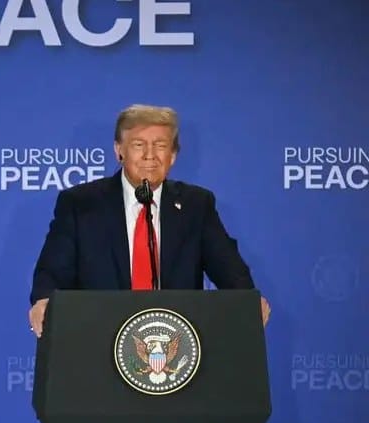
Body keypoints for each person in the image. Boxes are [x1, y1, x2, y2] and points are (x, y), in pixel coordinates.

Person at [28, 104, 268, 336]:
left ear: (173, 155)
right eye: (138, 144)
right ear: (119, 150)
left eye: (160, 145)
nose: (150, 155)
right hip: (97, 336)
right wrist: (45, 301)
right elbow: (53, 271)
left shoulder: (196, 205)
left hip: (175, 341)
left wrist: (247, 300)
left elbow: (229, 268)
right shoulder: (81, 204)